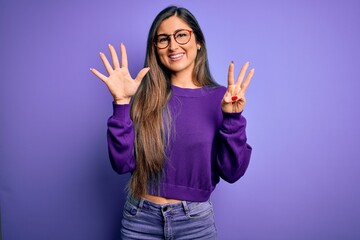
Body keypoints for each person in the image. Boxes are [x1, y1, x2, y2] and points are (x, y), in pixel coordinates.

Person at [90, 5, 254, 240]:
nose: (173, 45)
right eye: (163, 39)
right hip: (140, 220)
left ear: (198, 42)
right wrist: (122, 102)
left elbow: (232, 172)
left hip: (195, 223)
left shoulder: (223, 99)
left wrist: (233, 118)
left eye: (181, 35)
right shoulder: (144, 97)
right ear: (155, 49)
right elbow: (121, 164)